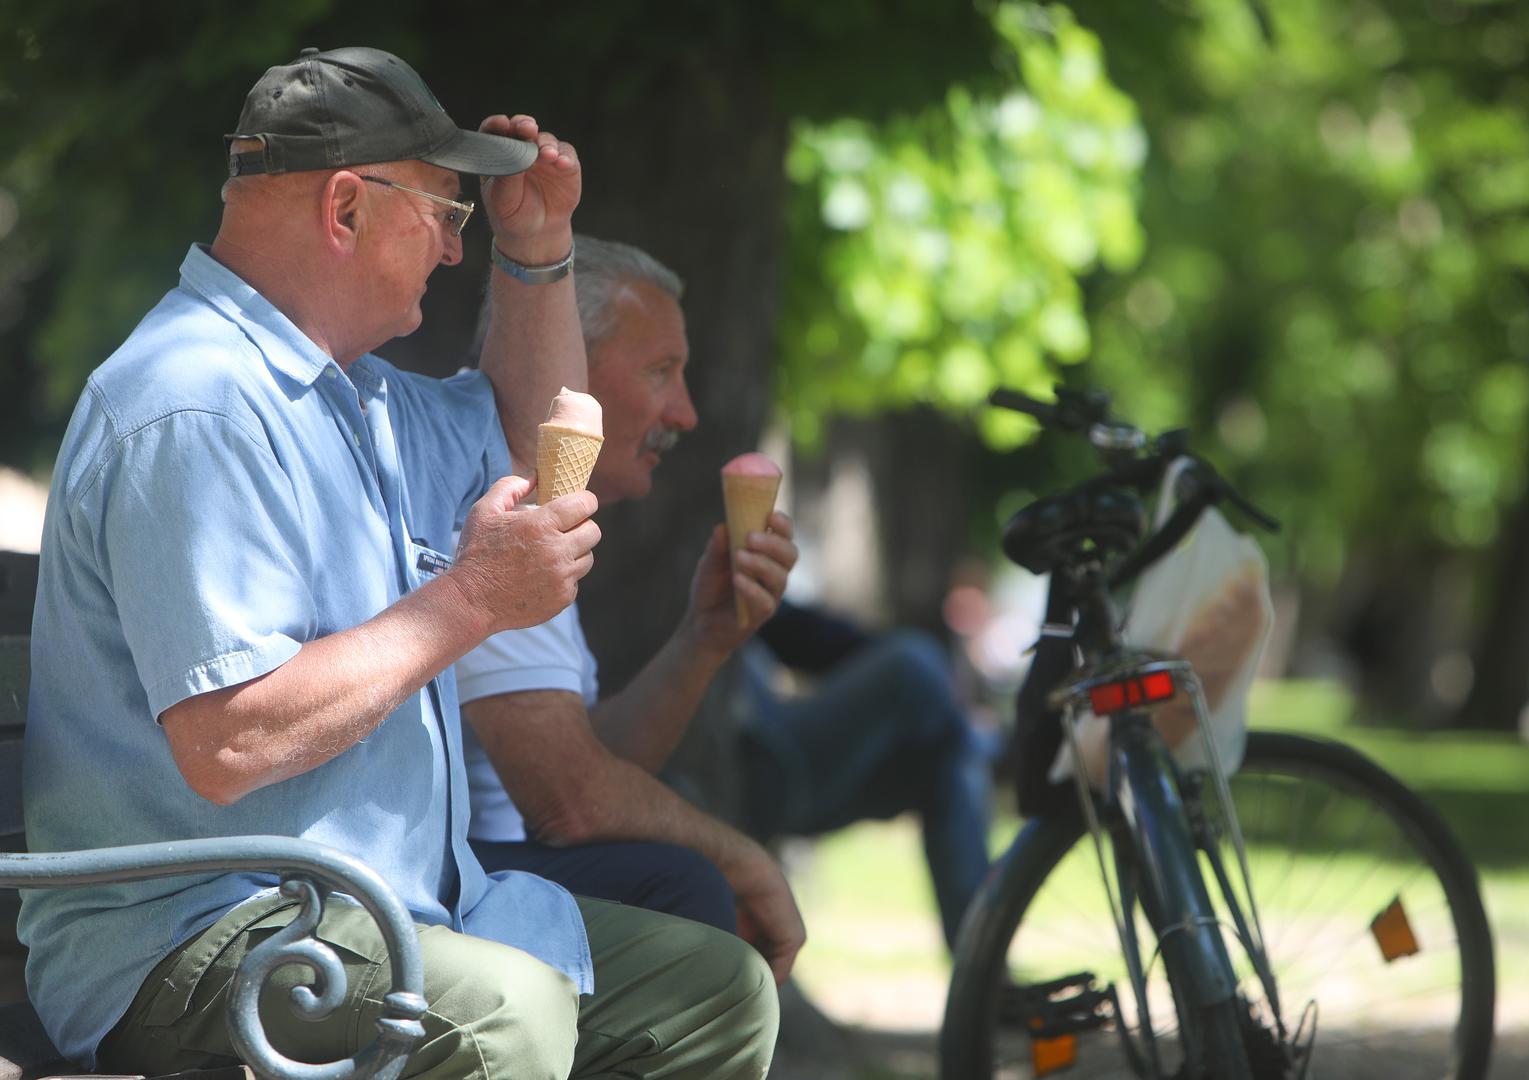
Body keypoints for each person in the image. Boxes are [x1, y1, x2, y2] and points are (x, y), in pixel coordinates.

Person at [20, 47, 775, 1079]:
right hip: (198, 939)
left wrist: (538, 247)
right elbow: (229, 745)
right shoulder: (195, 402)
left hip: (380, 908)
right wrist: (466, 602)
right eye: (447, 216)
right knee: (504, 1016)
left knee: (714, 997)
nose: (454, 251)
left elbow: (529, 439)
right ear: (345, 208)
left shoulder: (347, 390)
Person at [456, 237, 807, 982]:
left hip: (478, 863)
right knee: (685, 881)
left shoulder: (529, 493)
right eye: (660, 372)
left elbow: (591, 769)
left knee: (673, 839)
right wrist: (744, 859)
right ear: (569, 370)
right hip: (427, 883)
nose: (683, 412)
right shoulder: (496, 495)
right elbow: (569, 804)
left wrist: (705, 640)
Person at [735, 601, 995, 951]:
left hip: (779, 754)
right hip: (759, 763)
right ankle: (992, 745)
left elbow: (793, 633)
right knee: (912, 662)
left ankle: (982, 972)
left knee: (944, 766)